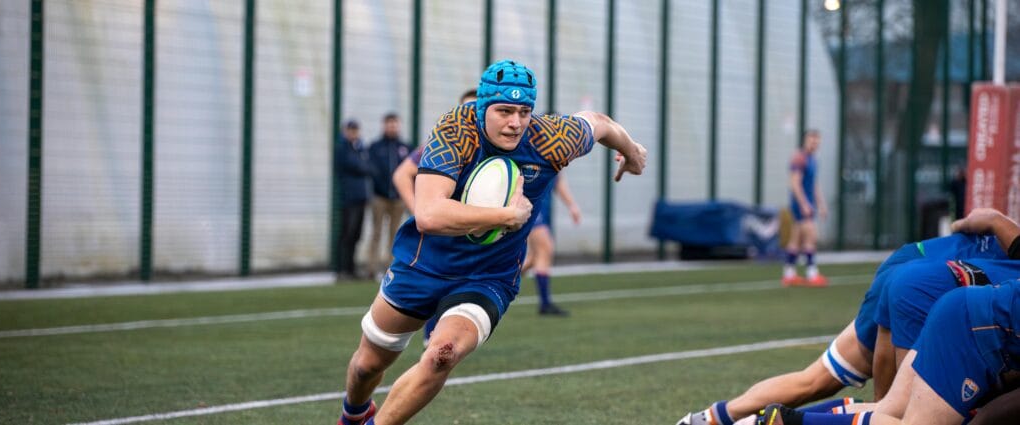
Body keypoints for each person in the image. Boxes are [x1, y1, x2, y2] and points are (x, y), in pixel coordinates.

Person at [336, 59, 647, 425]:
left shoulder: (550, 137)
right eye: (504, 111)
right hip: (422, 265)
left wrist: (631, 151)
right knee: (366, 366)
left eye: (524, 112)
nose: (515, 122)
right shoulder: (455, 130)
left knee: (441, 354)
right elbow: (429, 215)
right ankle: (354, 413)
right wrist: (505, 216)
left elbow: (599, 123)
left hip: (488, 277)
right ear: (483, 107)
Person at [677, 230, 1011, 425]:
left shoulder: (1002, 230)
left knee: (825, 384)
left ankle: (709, 419)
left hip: (913, 265)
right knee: (899, 414)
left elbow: (980, 220)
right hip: (935, 287)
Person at [392, 89, 477, 346]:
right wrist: (419, 208)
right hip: (444, 229)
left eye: (476, 110)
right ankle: (430, 336)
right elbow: (401, 174)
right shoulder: (442, 144)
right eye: (466, 110)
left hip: (472, 231)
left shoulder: (495, 148)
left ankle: (437, 337)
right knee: (439, 280)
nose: (471, 115)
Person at [522, 172, 581, 316]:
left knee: (534, 257)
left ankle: (498, 282)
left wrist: (572, 205)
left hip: (544, 209)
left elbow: (557, 179)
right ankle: (545, 304)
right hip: (530, 208)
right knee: (545, 249)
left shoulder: (554, 160)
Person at [367, 113, 412, 276]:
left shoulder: (405, 147)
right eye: (389, 124)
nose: (392, 127)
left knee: (395, 233)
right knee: (376, 232)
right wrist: (378, 187)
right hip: (379, 197)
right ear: (384, 126)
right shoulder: (375, 147)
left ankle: (391, 268)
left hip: (398, 199)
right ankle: (371, 268)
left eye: (395, 124)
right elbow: (371, 170)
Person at [783, 130, 828, 287]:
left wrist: (821, 204)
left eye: (817, 142)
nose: (814, 144)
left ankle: (789, 274)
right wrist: (803, 204)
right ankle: (811, 273)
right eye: (812, 141)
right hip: (800, 203)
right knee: (811, 236)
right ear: (805, 140)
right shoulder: (799, 158)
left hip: (808, 203)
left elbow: (814, 185)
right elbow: (795, 184)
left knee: (795, 238)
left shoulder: (813, 160)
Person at [335, 119, 371, 280]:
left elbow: (368, 166)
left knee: (357, 234)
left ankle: (351, 268)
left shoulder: (360, 147)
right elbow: (357, 165)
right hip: (349, 198)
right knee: (347, 234)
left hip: (361, 197)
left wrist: (363, 164)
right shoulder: (343, 149)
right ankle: (341, 269)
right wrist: (363, 164)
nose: (353, 133)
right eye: (350, 130)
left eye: (355, 130)